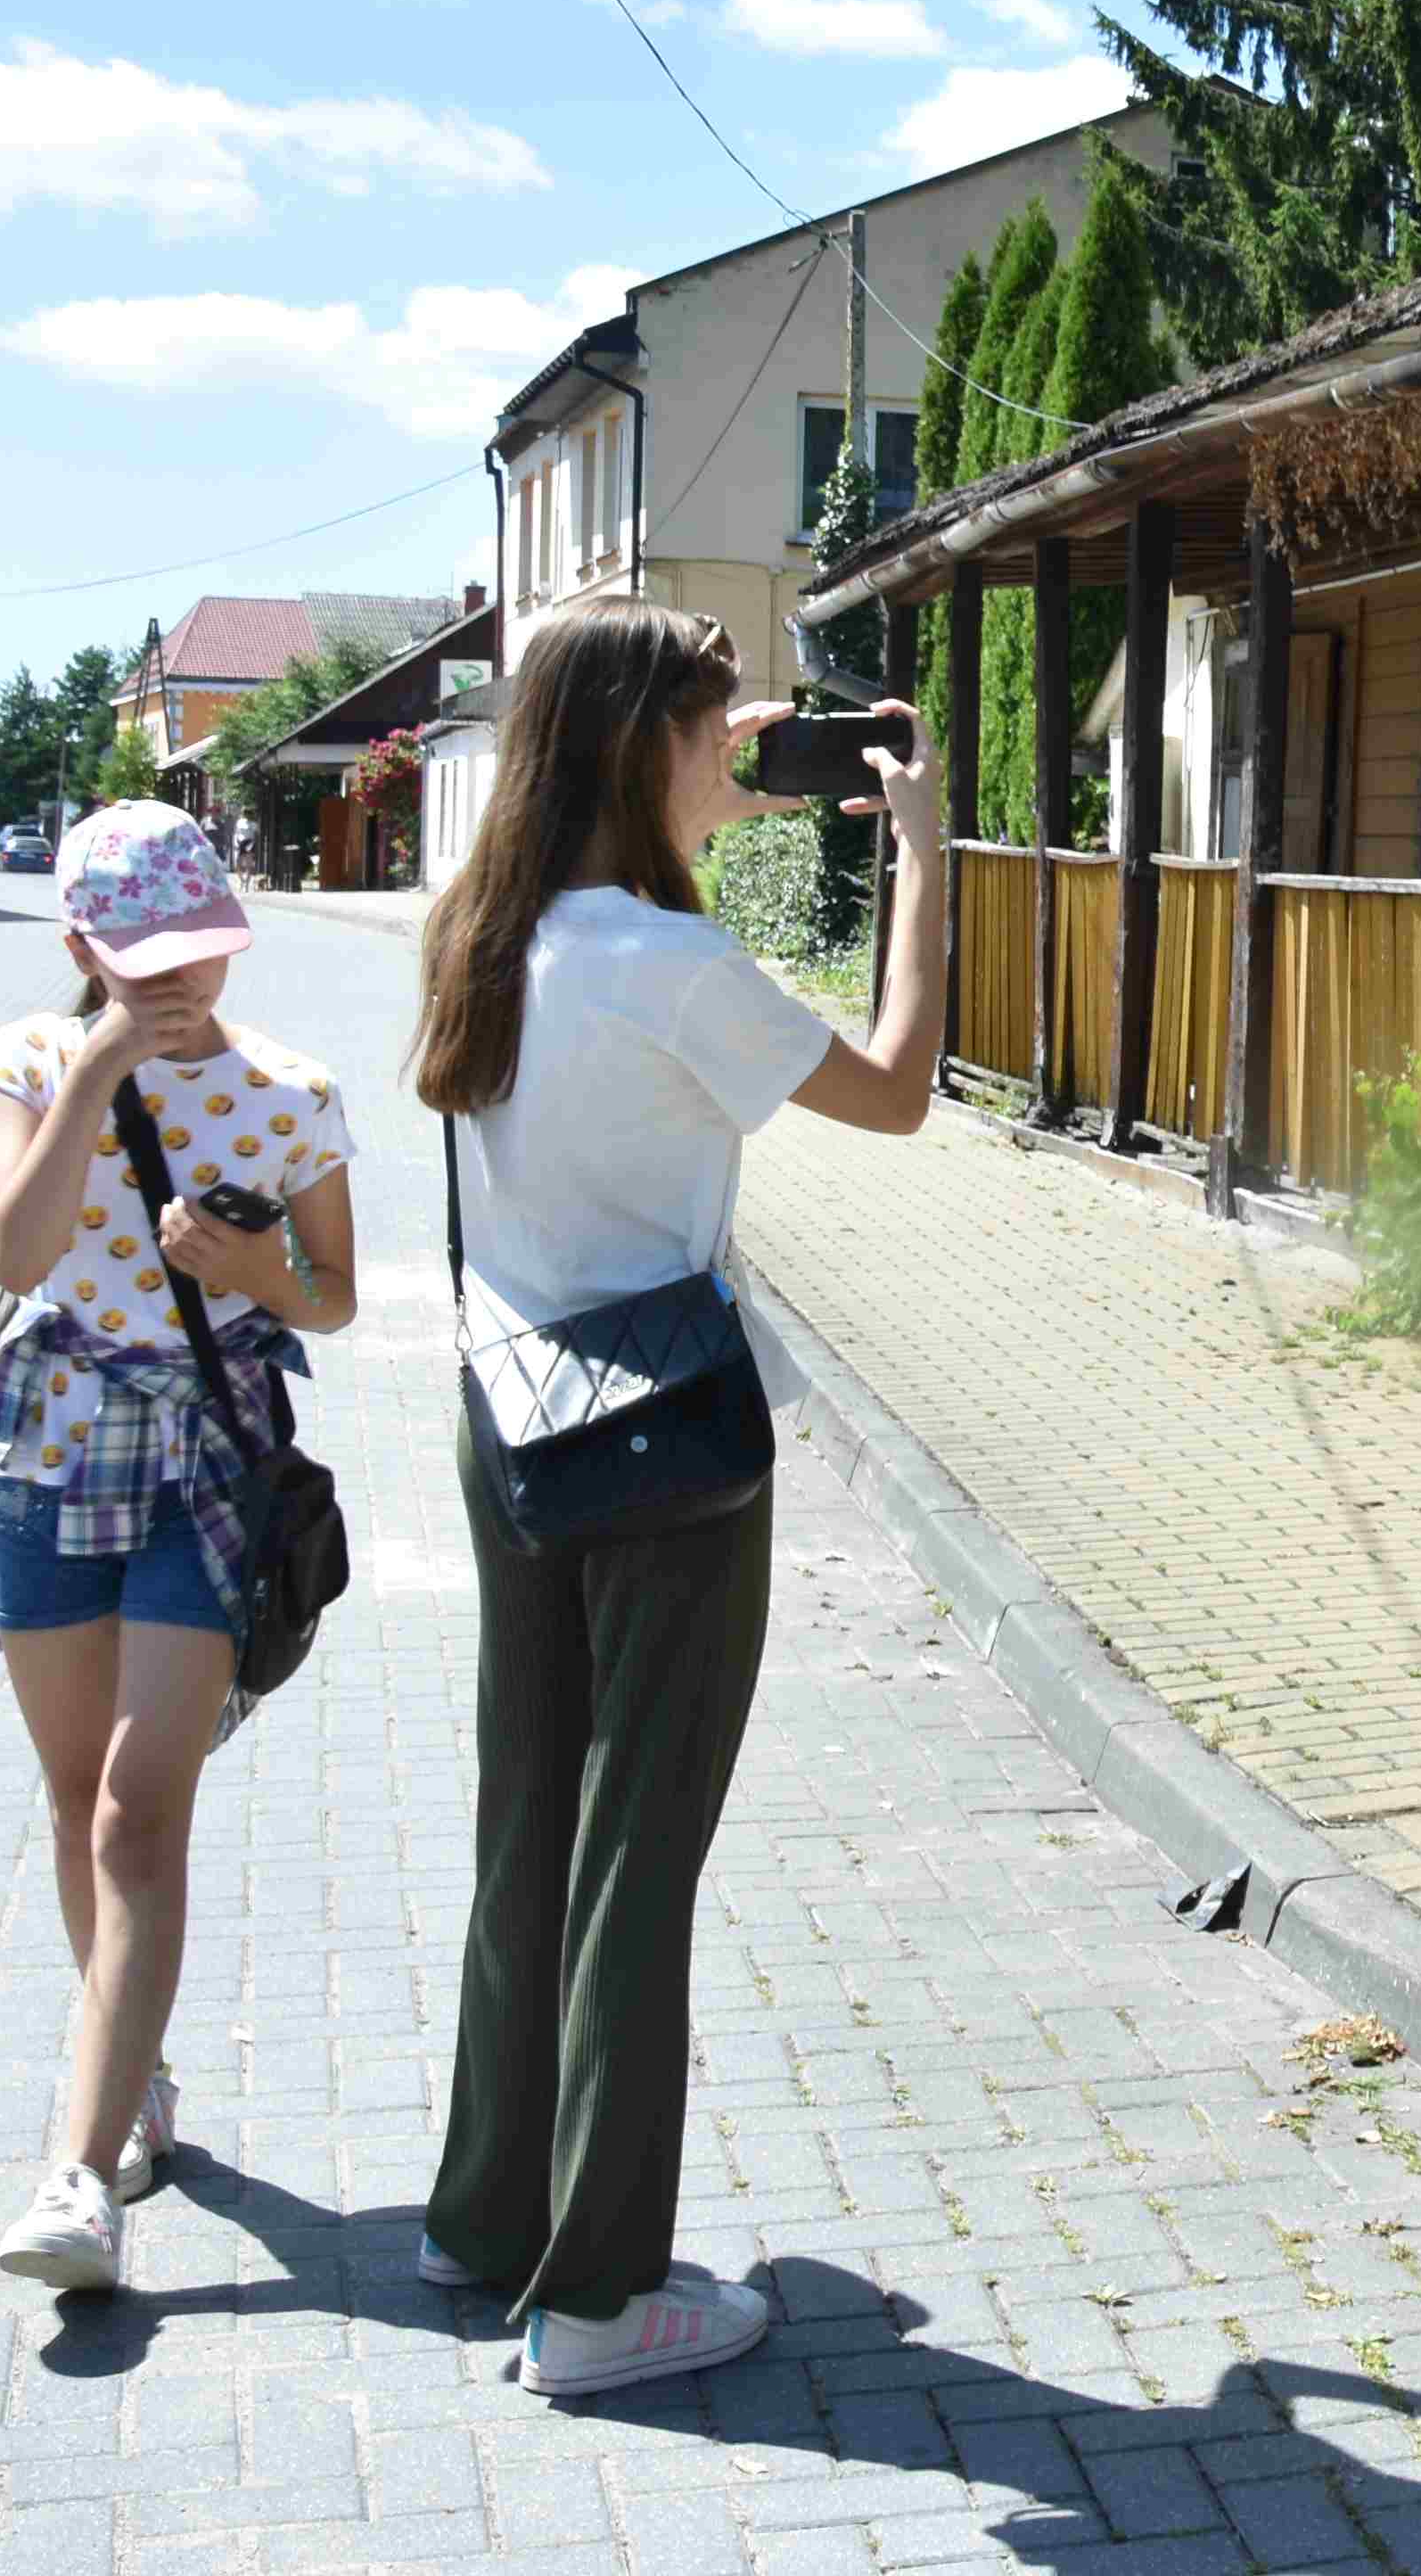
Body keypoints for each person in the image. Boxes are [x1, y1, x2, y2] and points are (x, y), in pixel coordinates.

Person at [406, 600, 950, 2396]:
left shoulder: (493, 933)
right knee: (639, 1850)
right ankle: (598, 2297)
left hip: (510, 1418)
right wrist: (926, 863)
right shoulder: (664, 961)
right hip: (663, 1448)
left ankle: (490, 2216)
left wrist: (764, 746)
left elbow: (680, 767)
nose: (742, 751)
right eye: (716, 731)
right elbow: (897, 1094)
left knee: (529, 1824)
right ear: (647, 747)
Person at [0, 801, 359, 2299]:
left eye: (204, 956)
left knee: (135, 1815)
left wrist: (254, 1266)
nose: (185, 986)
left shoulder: (293, 1092)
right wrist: (107, 1059)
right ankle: (141, 2089)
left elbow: (333, 1299)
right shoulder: (31, 1063)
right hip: (55, 1452)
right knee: (71, 1800)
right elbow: (16, 1254)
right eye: (148, 962)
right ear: (84, 954)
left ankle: (77, 2171)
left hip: (208, 1462)